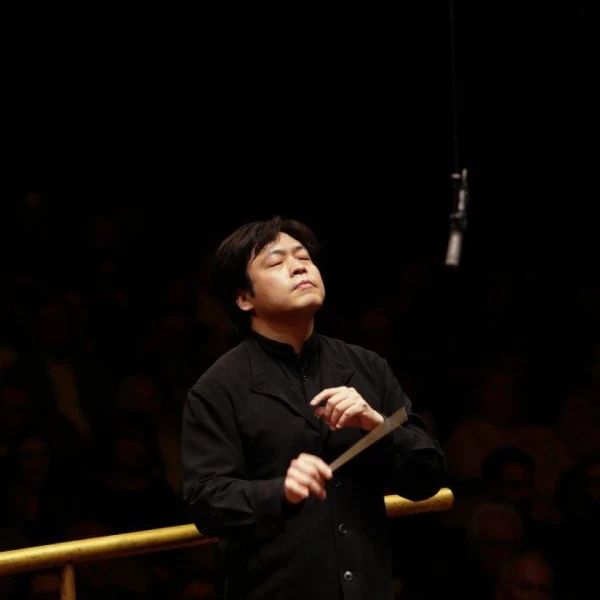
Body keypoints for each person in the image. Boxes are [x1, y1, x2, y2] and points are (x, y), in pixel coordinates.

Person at [181, 216, 446, 600]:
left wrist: (377, 425)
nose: (299, 267)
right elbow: (206, 503)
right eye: (276, 262)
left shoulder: (366, 366)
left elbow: (428, 476)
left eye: (304, 257)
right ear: (244, 298)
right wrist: (279, 492)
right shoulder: (218, 388)